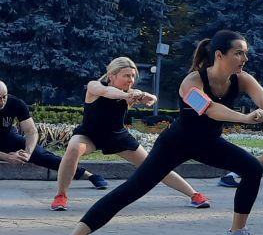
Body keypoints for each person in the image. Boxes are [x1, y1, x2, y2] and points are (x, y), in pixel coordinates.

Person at [55, 30, 263, 235]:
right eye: (239, 53)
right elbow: (209, 109)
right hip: (175, 144)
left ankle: (236, 233)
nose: (245, 58)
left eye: (245, 53)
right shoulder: (190, 82)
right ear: (219, 55)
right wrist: (245, 118)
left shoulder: (243, 79)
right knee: (132, 189)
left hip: (209, 143)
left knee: (252, 168)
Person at [50, 58, 210, 212]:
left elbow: (152, 98)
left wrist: (148, 97)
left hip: (117, 136)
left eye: (133, 76)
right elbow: (106, 91)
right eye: (127, 75)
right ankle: (61, 196)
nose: (131, 80)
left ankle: (194, 195)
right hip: (89, 135)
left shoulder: (131, 93)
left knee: (154, 165)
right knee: (73, 148)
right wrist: (127, 95)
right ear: (112, 75)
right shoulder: (95, 86)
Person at [0, 80, 110, 191]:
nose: (2, 101)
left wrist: (28, 153)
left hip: (8, 137)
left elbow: (31, 131)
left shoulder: (15, 103)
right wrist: (7, 157)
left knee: (41, 154)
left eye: (4, 97)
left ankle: (90, 176)